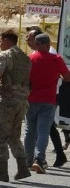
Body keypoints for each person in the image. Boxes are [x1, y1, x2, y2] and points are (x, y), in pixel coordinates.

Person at [0, 30, 31, 181]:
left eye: (1, 40)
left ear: (6, 40)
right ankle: (23, 168)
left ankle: (2, 171)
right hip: (22, 102)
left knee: (0, 135)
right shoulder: (25, 58)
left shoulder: (5, 55)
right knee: (14, 136)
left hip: (8, 101)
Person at [24, 33, 70, 173]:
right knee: (43, 131)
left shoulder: (30, 59)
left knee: (29, 131)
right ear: (48, 45)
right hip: (48, 100)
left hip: (31, 99)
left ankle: (27, 160)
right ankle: (39, 159)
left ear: (36, 44)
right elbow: (67, 77)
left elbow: (24, 78)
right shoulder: (56, 59)